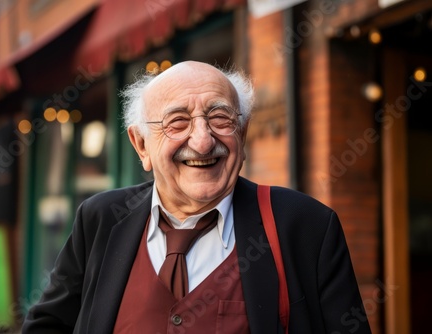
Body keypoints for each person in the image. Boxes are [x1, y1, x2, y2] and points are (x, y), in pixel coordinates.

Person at [22, 61, 371, 333]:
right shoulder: (100, 219)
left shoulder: (306, 226)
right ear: (141, 145)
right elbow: (47, 327)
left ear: (243, 134)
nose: (203, 141)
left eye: (220, 118)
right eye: (177, 122)